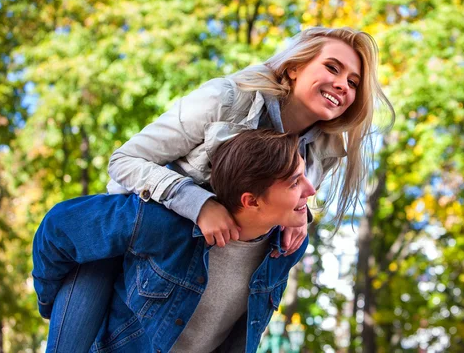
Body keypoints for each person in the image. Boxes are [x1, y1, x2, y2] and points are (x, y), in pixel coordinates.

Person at [38, 27, 394, 352]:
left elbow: (276, 201)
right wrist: (199, 203)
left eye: (353, 81)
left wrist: (299, 216)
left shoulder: (322, 151)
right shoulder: (227, 98)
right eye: (332, 68)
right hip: (126, 231)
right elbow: (125, 161)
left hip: (196, 276)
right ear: (293, 67)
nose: (343, 85)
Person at [33, 129, 317, 352]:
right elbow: (59, 227)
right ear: (251, 201)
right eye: (295, 183)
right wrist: (50, 304)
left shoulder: (287, 247)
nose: (311, 189)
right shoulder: (164, 223)